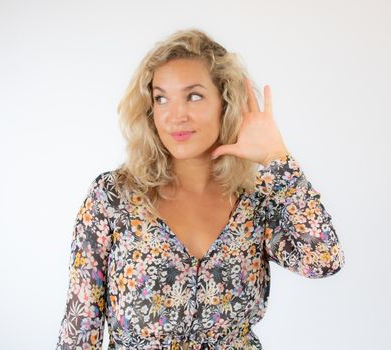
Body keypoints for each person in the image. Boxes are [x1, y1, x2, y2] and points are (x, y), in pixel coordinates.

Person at [55, 28, 345, 350]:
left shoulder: (256, 200)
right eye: (161, 98)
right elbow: (80, 330)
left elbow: (323, 260)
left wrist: (277, 158)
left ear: (225, 102)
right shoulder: (113, 197)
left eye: (193, 96)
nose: (176, 116)